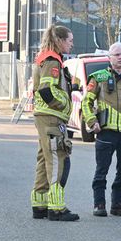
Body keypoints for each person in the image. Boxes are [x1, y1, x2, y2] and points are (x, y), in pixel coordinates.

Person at [81, 42, 121, 217]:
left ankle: (118, 204)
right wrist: (92, 121)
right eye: (116, 54)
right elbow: (86, 102)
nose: (120, 58)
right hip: (106, 131)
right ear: (109, 57)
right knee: (102, 169)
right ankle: (99, 204)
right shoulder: (98, 77)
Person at [31, 25, 79, 222]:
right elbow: (45, 90)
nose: (72, 44)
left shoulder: (48, 59)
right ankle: (56, 208)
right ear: (59, 40)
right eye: (69, 40)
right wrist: (60, 105)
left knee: (44, 160)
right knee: (58, 159)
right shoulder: (52, 62)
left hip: (44, 117)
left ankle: (39, 205)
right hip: (51, 118)